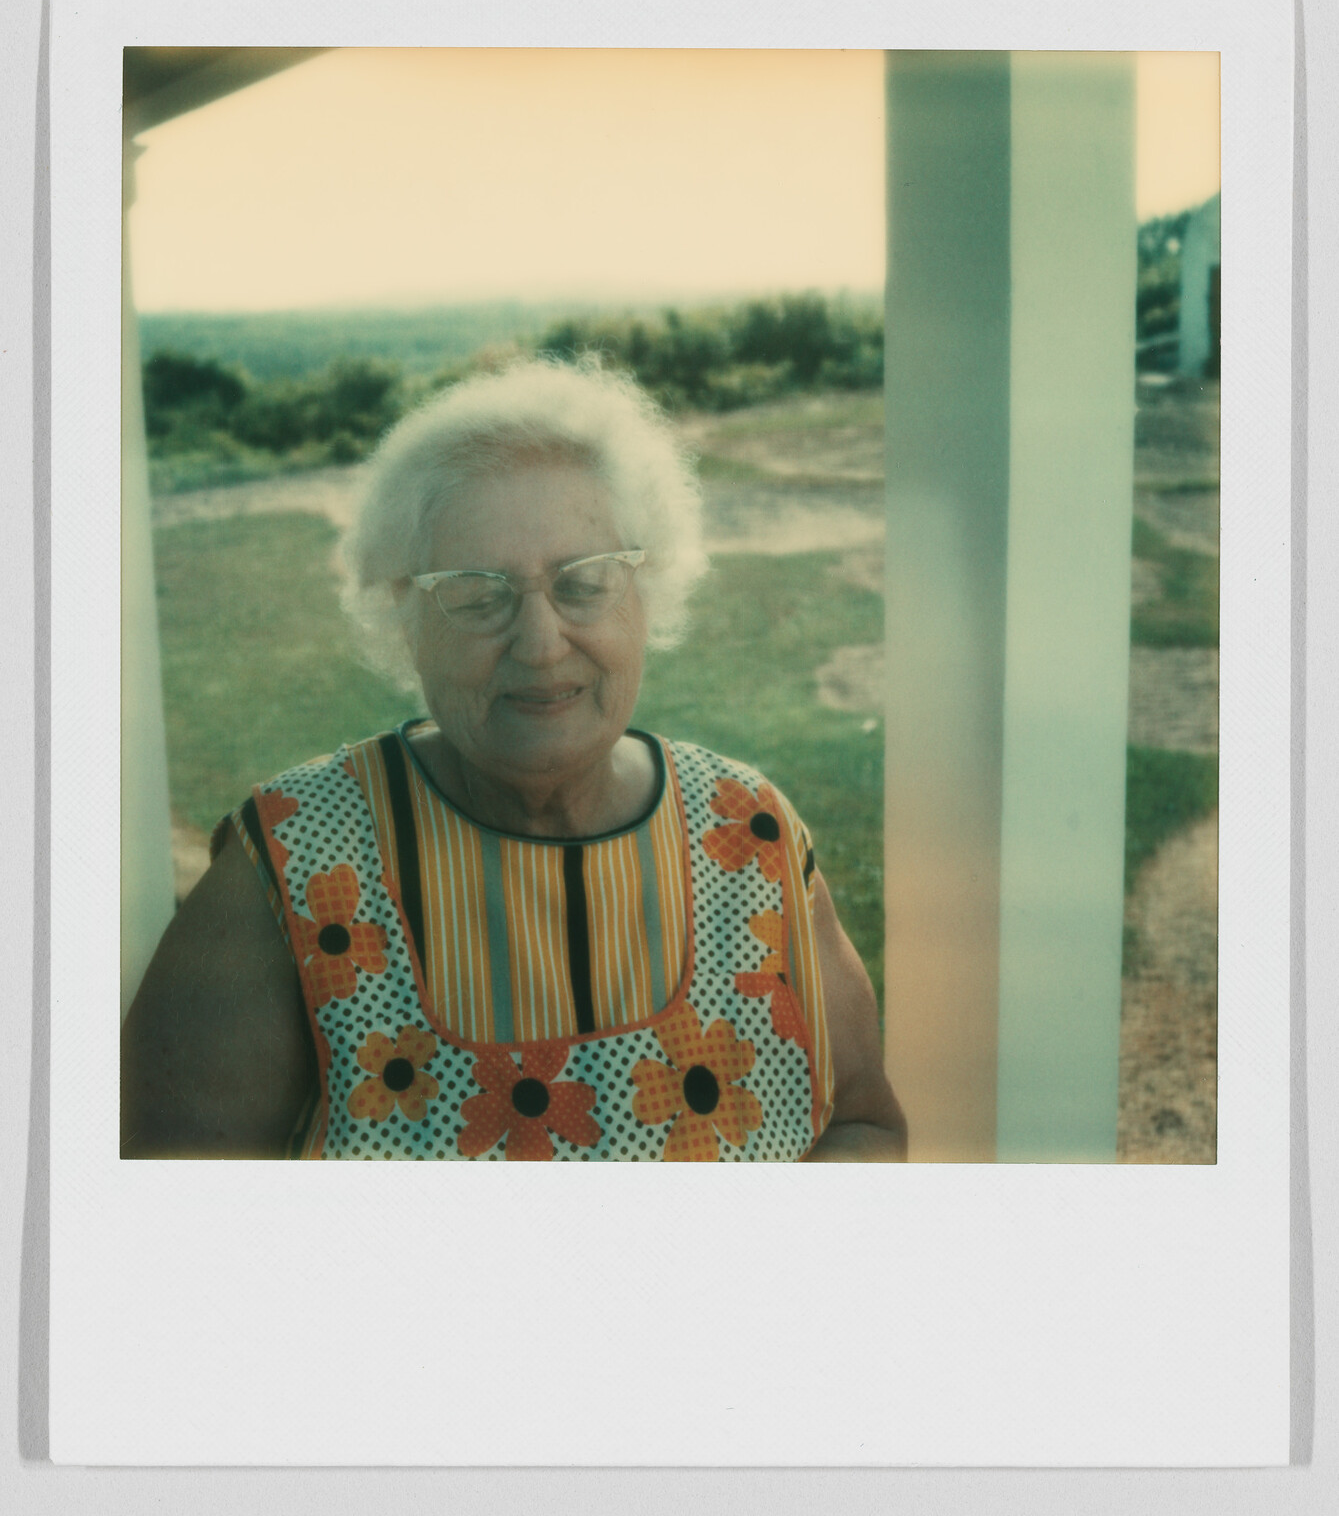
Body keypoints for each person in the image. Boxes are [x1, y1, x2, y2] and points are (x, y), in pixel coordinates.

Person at [122, 359, 906, 1162]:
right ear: (405, 616)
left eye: (583, 583)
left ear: (647, 592)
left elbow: (863, 1124)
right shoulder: (288, 867)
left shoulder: (751, 834)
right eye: (476, 591)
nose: (539, 643)